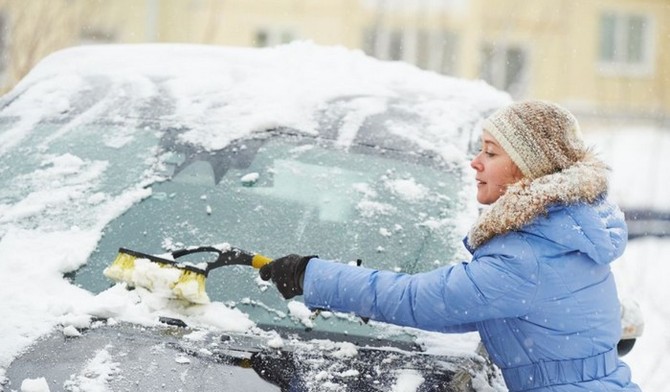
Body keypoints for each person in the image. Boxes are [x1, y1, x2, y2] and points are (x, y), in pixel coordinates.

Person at [259, 100, 641, 391]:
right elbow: (463, 308)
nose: (475, 162)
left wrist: (310, 275)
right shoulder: (561, 231)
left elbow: (420, 301)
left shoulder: (526, 257)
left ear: (528, 170)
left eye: (491, 153)